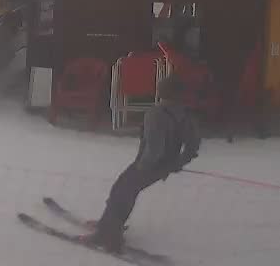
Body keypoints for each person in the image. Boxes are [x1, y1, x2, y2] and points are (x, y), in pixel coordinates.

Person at [83, 100, 201, 253]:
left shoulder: (156, 113)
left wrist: (143, 167)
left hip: (148, 165)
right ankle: (108, 224)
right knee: (125, 190)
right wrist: (178, 163)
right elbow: (193, 144)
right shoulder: (186, 115)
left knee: (122, 191)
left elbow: (155, 148)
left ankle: (108, 235)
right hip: (163, 166)